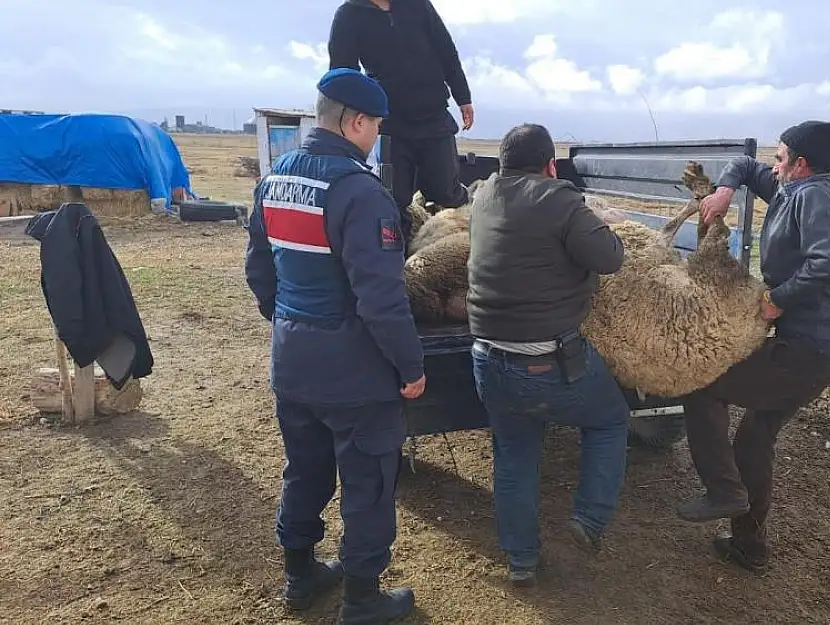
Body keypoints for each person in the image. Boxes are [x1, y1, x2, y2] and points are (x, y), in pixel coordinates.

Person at [244, 67, 426, 624]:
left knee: (304, 468)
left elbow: (259, 272)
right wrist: (410, 365)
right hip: (354, 374)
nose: (375, 138)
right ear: (355, 121)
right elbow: (381, 300)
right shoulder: (358, 192)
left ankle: (300, 575)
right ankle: (362, 599)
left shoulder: (274, 181)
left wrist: (290, 324)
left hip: (293, 362)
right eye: (375, 126)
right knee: (368, 480)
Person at [679, 119, 830, 574]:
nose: (772, 168)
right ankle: (748, 545)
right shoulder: (787, 188)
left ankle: (722, 490)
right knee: (755, 439)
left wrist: (777, 299)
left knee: (702, 383)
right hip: (808, 351)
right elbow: (741, 162)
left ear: (800, 164)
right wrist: (723, 191)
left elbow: (828, 264)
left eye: (780, 159)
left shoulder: (814, 197)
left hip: (807, 353)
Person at [466, 123, 630, 587]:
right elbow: (611, 258)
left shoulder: (481, 196)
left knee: (514, 457)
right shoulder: (559, 199)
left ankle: (521, 561)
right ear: (549, 165)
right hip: (545, 360)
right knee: (610, 419)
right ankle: (590, 519)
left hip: (487, 358)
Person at [328, 0, 474, 238]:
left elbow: (446, 50)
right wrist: (350, 119)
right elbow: (343, 73)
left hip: (434, 114)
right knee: (393, 200)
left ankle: (464, 243)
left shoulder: (417, 5)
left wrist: (463, 97)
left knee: (446, 192)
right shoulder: (349, 15)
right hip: (388, 122)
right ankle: (398, 261)